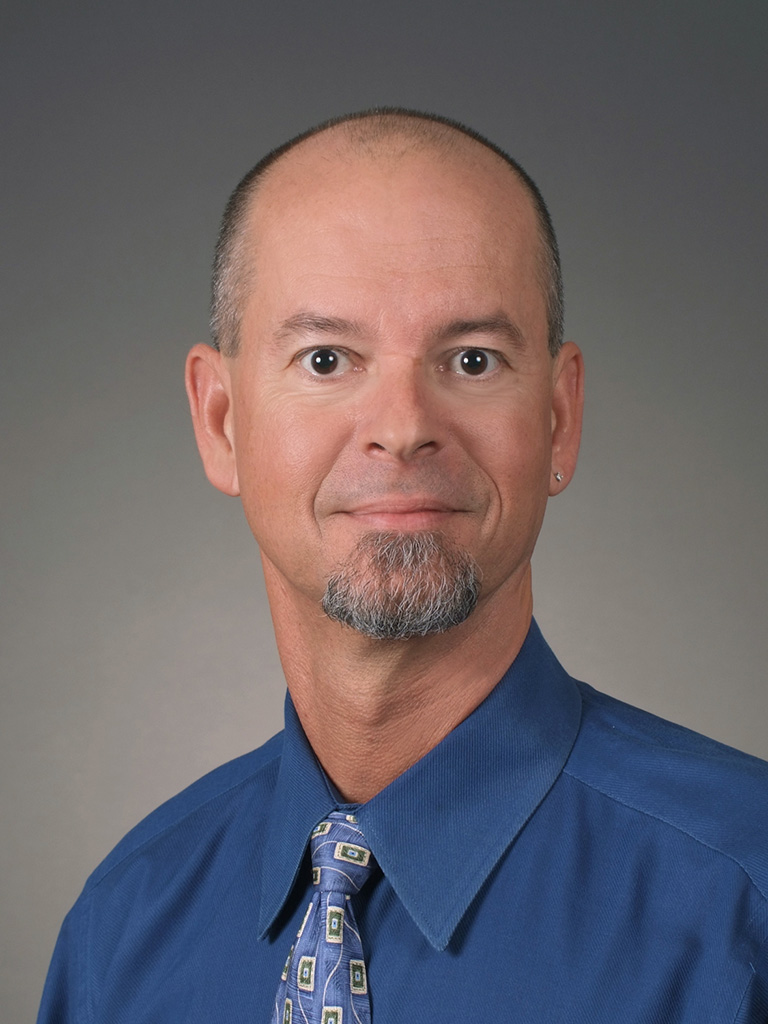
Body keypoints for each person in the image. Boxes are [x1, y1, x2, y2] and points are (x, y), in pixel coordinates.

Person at [38, 110, 768, 1023]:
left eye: (471, 358)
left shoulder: (748, 904)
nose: (403, 424)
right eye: (327, 358)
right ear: (221, 421)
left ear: (558, 417)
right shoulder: (122, 930)